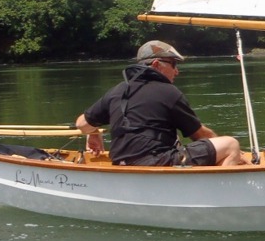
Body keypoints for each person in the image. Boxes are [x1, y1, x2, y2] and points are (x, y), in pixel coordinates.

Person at [75, 41, 249, 167]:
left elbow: (82, 124)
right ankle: (217, 196)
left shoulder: (118, 90)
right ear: (157, 64)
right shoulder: (169, 92)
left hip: (122, 163)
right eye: (173, 64)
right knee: (230, 144)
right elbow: (200, 135)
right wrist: (236, 155)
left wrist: (94, 132)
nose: (177, 71)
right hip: (156, 161)